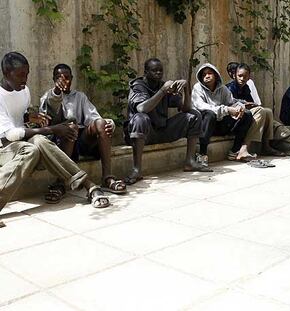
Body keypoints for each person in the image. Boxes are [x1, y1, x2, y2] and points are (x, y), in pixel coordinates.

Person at [0, 52, 110, 222]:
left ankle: (83, 184)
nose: (25, 79)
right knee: (33, 147)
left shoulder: (24, 90)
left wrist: (30, 117)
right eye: (21, 75)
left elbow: (18, 119)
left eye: (27, 74)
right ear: (7, 73)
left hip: (22, 143)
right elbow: (11, 134)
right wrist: (53, 129)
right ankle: (88, 184)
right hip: (5, 146)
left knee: (36, 143)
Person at [40, 64, 126, 201]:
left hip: (81, 141)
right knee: (71, 127)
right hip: (61, 143)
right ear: (53, 79)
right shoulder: (47, 97)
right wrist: (57, 93)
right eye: (59, 78)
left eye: (67, 78)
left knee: (101, 123)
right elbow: (46, 125)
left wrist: (108, 123)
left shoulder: (79, 97)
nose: (64, 81)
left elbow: (94, 117)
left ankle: (107, 177)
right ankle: (60, 182)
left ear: (72, 79)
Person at [124, 58, 211, 184]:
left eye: (160, 70)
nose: (158, 73)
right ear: (145, 72)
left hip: (161, 130)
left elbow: (186, 108)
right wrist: (162, 91)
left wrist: (186, 88)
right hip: (142, 134)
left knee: (194, 115)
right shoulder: (138, 86)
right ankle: (137, 170)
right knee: (140, 118)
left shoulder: (164, 85)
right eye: (154, 70)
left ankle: (190, 161)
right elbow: (142, 108)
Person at [192, 63, 256, 167]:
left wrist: (239, 107)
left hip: (220, 124)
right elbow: (201, 107)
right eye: (204, 75)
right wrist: (227, 109)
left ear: (216, 75)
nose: (206, 76)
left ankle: (234, 150)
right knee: (210, 114)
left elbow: (231, 102)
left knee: (247, 114)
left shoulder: (222, 89)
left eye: (209, 73)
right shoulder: (197, 88)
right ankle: (202, 153)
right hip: (204, 127)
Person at [226, 63, 282, 156]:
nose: (242, 79)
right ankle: (245, 147)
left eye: (245, 77)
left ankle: (266, 145)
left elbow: (252, 103)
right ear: (235, 75)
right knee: (261, 111)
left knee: (268, 111)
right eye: (240, 76)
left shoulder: (246, 87)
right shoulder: (229, 88)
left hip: (245, 113)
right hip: (234, 118)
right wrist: (244, 104)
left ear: (249, 78)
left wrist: (249, 104)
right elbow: (231, 105)